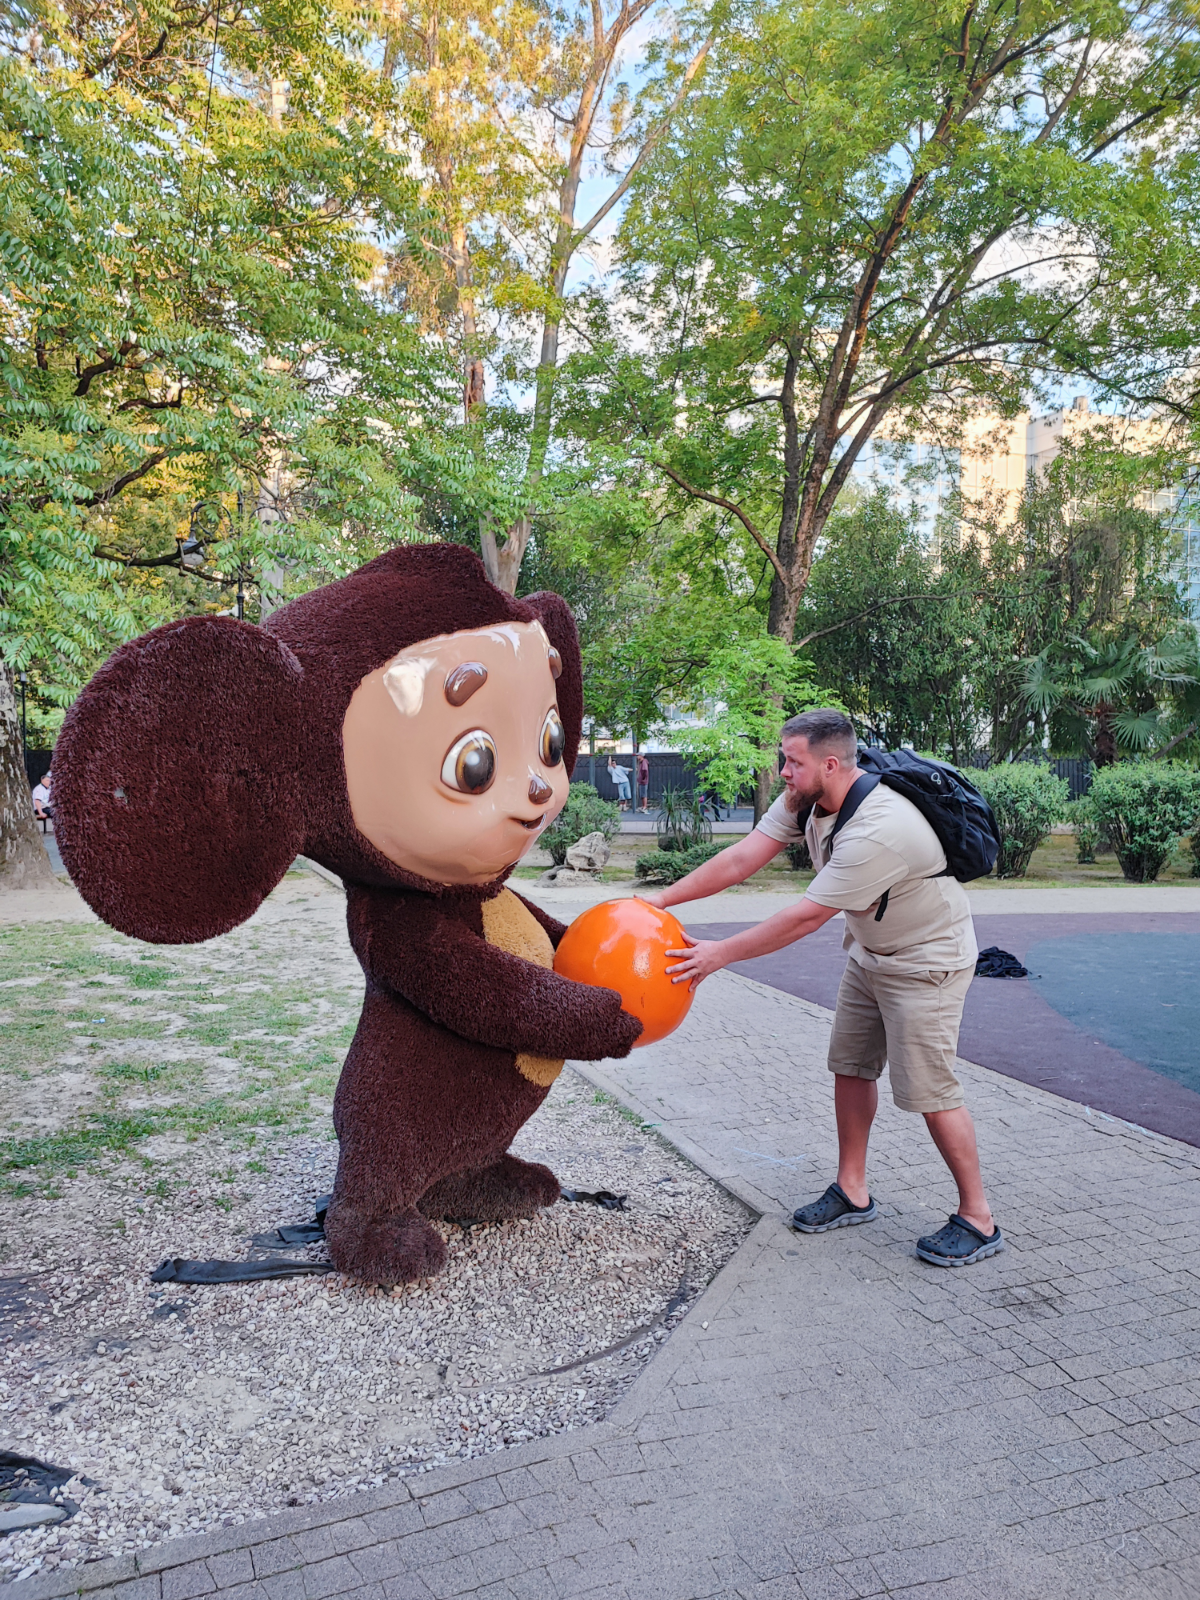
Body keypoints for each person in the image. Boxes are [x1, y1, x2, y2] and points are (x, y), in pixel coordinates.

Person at [639, 708, 1002, 1269]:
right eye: (784, 759)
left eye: (792, 761)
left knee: (930, 1091)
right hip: (870, 952)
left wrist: (716, 956)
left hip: (926, 962)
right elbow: (741, 859)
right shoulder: (807, 800)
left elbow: (803, 918)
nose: (783, 771)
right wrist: (660, 901)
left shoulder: (879, 827)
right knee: (851, 1066)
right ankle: (852, 1189)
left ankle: (978, 1218)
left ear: (829, 764)